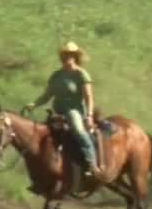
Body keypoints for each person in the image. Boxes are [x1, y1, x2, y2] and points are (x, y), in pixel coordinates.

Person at [22, 41, 100, 177]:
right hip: (58, 110)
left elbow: (89, 97)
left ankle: (91, 162)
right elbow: (47, 95)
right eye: (65, 54)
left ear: (76, 56)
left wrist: (89, 115)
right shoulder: (56, 75)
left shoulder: (81, 74)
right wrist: (34, 104)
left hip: (74, 110)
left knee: (78, 130)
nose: (67, 57)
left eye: (71, 54)